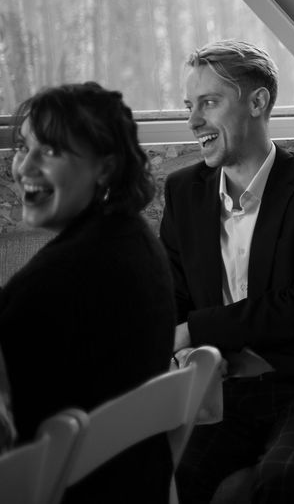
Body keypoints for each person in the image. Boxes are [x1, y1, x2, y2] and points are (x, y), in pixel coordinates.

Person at [161, 40, 294, 504]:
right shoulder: (183, 192)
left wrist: (195, 329)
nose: (194, 120)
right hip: (220, 388)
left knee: (280, 479)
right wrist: (183, 350)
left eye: (210, 102)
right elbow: (172, 295)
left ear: (257, 102)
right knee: (166, 476)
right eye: (189, 106)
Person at [0, 82, 175, 502]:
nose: (23, 168)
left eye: (52, 151)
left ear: (105, 167)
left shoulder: (67, 275)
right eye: (24, 147)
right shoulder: (132, 240)